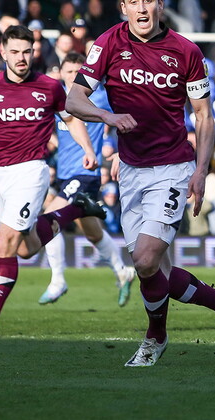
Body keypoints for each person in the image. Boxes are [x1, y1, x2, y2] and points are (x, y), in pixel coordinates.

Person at [65, 0, 215, 366]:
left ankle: (155, 337)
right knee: (154, 271)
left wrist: (201, 171)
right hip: (130, 169)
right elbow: (74, 101)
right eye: (135, 2)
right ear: (124, 8)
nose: (142, 8)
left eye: (149, 0)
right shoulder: (107, 43)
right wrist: (107, 118)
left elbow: (204, 117)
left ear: (161, 4)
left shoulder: (186, 51)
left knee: (145, 260)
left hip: (173, 167)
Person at [0, 25, 107, 336]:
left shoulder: (49, 87)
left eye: (27, 51)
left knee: (6, 241)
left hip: (32, 172)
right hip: (1, 174)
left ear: (33, 52)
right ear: (3, 53)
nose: (21, 57)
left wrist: (88, 148)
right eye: (14, 51)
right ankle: (74, 209)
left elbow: (70, 119)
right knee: (26, 250)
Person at [38, 53, 137, 307]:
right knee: (92, 232)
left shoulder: (100, 96)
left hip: (86, 174)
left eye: (78, 71)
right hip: (64, 175)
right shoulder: (58, 98)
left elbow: (129, 118)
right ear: (60, 73)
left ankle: (58, 280)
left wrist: (117, 150)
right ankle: (122, 271)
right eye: (68, 72)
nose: (73, 76)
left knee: (49, 220)